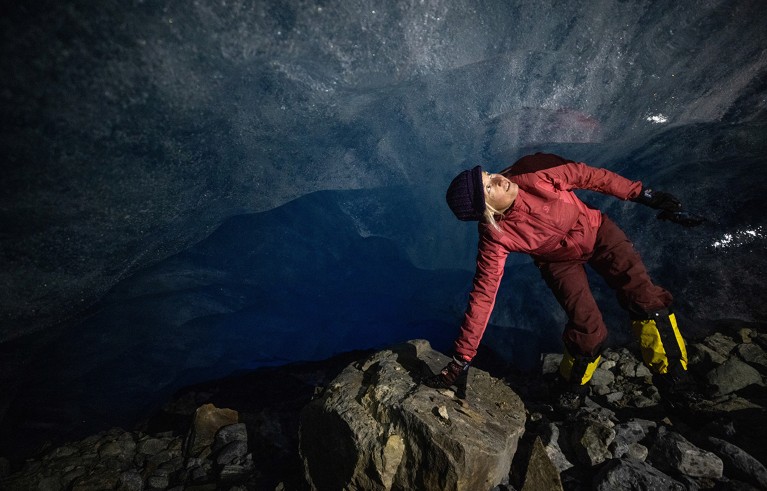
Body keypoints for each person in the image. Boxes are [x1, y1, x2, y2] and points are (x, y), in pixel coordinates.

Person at [424, 152, 704, 409]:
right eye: (488, 187)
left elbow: (590, 176)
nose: (497, 179)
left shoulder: (533, 172)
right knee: (587, 327)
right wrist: (462, 359)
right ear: (487, 211)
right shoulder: (495, 237)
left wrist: (643, 194)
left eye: (488, 175)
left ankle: (676, 384)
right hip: (558, 260)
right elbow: (483, 295)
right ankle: (572, 387)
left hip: (596, 230)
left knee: (646, 299)